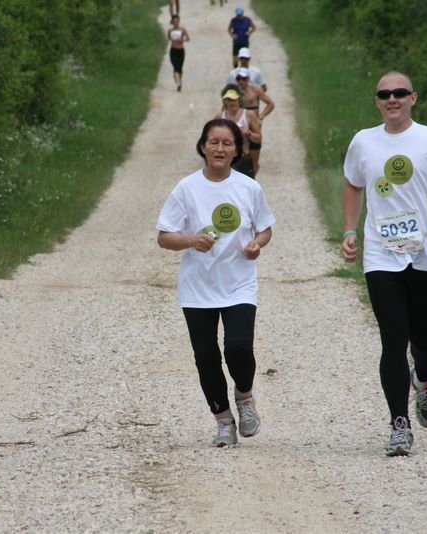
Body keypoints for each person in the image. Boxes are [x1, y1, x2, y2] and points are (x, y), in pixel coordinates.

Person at [340, 70, 427, 457]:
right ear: (377, 101)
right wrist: (350, 230)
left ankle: (424, 378)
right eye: (384, 94)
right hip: (381, 255)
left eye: (399, 93)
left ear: (413, 98)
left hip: (426, 254)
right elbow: (353, 184)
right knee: (393, 338)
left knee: (423, 338)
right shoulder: (363, 142)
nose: (392, 100)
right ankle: (398, 425)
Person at [156, 118, 275, 447]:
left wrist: (257, 245)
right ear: (202, 146)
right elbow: (165, 237)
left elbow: (265, 228)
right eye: (213, 142)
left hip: (239, 284)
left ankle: (245, 398)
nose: (220, 148)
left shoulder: (249, 187)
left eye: (227, 143)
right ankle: (223, 421)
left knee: (238, 348)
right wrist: (192, 240)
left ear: (237, 150)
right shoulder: (187, 188)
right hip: (197, 289)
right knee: (206, 357)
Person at [215, 84, 262, 177]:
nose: (231, 102)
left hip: (243, 157)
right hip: (226, 158)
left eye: (233, 99)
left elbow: (258, 138)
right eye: (228, 99)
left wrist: (248, 134)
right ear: (224, 101)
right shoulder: (220, 116)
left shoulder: (249, 115)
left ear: (239, 99)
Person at [167, 15, 190, 92]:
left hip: (181, 51)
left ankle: (179, 81)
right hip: (173, 51)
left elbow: (188, 39)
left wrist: (182, 39)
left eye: (177, 21)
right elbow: (169, 38)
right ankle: (178, 84)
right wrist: (173, 40)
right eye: (174, 21)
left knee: (180, 68)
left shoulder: (182, 29)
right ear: (172, 22)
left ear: (179, 21)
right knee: (175, 67)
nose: (176, 23)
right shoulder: (170, 31)